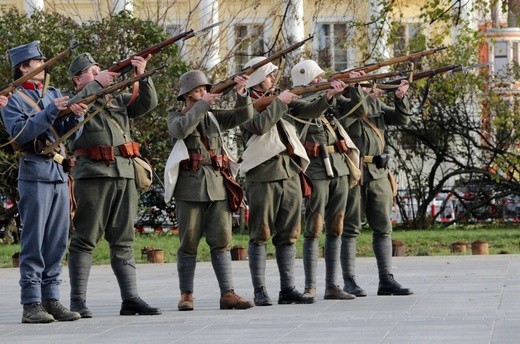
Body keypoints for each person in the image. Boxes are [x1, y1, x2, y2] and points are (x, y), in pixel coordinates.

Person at [240, 56, 346, 306]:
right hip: (262, 173)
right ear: (256, 79)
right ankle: (260, 290)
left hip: (289, 171)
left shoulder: (279, 98)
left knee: (289, 233)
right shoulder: (244, 103)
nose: (272, 79)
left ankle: (287, 288)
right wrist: (279, 102)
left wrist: (328, 97)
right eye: (268, 75)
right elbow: (258, 126)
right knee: (261, 233)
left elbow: (307, 111)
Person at [66, 52, 161, 317]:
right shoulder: (75, 102)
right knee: (85, 239)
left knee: (124, 239)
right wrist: (98, 83)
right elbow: (68, 113)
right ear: (77, 79)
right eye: (91, 71)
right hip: (94, 175)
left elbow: (146, 105)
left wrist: (141, 74)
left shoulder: (115, 99)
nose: (98, 74)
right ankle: (78, 302)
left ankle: (130, 298)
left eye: (99, 69)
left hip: (124, 173)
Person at [1, 41, 87, 323]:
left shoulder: (52, 94)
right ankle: (31, 303)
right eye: (38, 61)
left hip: (59, 174)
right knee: (34, 241)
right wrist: (51, 112)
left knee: (57, 241)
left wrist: (78, 115)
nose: (43, 65)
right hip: (34, 172)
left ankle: (51, 298)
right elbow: (21, 133)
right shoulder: (12, 99)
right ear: (24, 67)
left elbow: (67, 136)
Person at [167, 70, 254, 311]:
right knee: (189, 242)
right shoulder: (176, 115)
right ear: (186, 95)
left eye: (205, 89)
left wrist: (242, 93)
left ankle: (227, 292)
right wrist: (201, 106)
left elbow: (243, 116)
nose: (204, 93)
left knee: (222, 241)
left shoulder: (213, 117)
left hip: (217, 185)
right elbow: (181, 130)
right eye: (198, 90)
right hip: (189, 187)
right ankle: (186, 295)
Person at [290, 60, 364, 301]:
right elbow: (310, 110)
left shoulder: (327, 100)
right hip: (316, 170)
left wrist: (354, 85)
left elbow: (358, 110)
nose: (322, 81)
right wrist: (329, 95)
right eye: (317, 79)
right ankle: (310, 286)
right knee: (314, 228)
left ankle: (332, 285)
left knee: (337, 226)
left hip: (339, 167)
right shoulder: (297, 101)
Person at [340, 80, 414, 297]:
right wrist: (359, 92)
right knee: (350, 228)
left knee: (383, 227)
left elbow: (401, 119)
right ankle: (349, 280)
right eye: (372, 86)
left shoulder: (378, 107)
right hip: (355, 171)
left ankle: (386, 278)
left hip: (378, 172)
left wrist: (400, 97)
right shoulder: (346, 104)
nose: (378, 91)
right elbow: (356, 110)